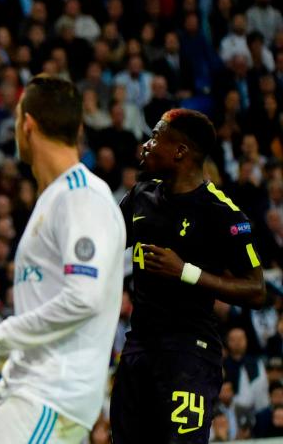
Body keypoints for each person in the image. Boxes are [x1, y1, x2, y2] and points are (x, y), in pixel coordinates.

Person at [0, 76, 125, 443]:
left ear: (27, 125)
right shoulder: (55, 197)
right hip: (25, 387)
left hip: (54, 393)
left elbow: (84, 297)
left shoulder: (82, 199)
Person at [110, 109, 266, 442]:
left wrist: (186, 272)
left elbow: (256, 290)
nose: (146, 146)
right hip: (137, 349)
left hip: (189, 354)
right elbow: (104, 248)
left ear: (180, 151)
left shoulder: (223, 213)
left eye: (155, 137)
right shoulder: (140, 197)